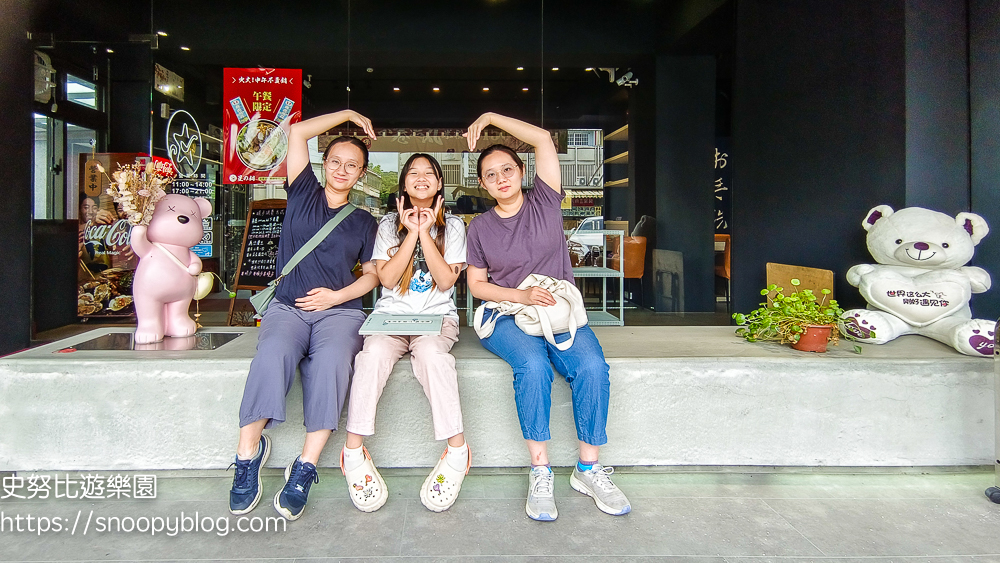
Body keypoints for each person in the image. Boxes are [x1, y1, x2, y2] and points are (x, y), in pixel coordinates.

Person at [463, 112, 631, 521]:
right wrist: (520, 294)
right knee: (533, 366)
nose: (500, 178)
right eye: (490, 174)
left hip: (555, 309)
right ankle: (541, 470)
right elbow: (477, 287)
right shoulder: (480, 228)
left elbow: (542, 139)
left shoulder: (544, 201)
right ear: (482, 184)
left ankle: (588, 469)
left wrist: (488, 117)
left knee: (592, 367)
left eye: (507, 169)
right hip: (505, 312)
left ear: (522, 172)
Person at [228, 110, 380, 521]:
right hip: (288, 307)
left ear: (362, 173)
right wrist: (348, 114)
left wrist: (336, 297)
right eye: (335, 161)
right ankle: (247, 456)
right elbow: (295, 132)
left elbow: (371, 277)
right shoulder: (303, 192)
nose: (343, 169)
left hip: (340, 313)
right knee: (272, 353)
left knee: (332, 362)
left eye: (353, 165)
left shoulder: (366, 222)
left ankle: (305, 466)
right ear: (323, 165)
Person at [341, 153, 470, 513]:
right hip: (391, 320)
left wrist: (425, 232)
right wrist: (409, 231)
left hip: (436, 319)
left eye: (429, 172)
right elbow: (386, 279)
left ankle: (457, 450)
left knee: (432, 357)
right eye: (413, 172)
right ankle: (353, 451)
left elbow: (445, 280)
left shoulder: (454, 227)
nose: (421, 177)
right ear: (404, 184)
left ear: (440, 183)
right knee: (370, 358)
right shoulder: (386, 225)